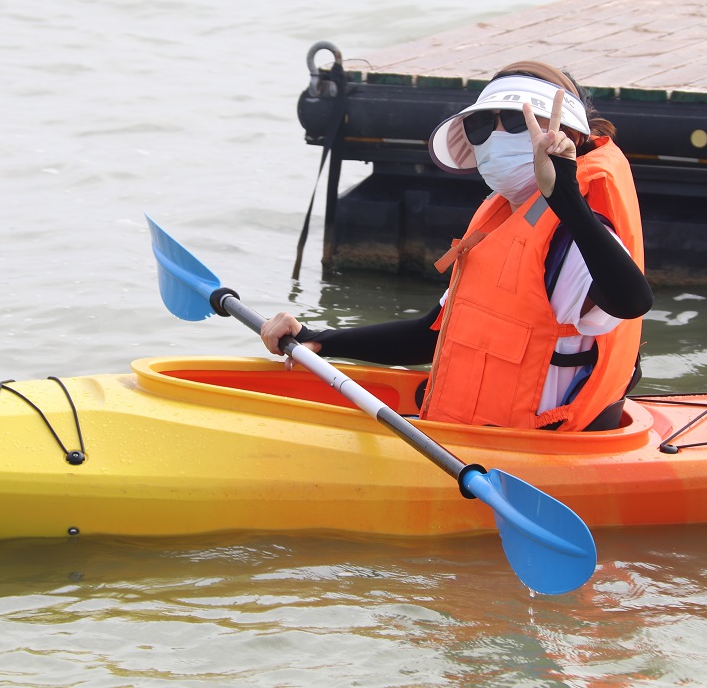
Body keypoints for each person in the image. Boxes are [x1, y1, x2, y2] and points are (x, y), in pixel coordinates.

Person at [262, 61, 653, 431]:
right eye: (482, 124)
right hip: (465, 442)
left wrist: (565, 198)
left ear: (571, 135)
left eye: (517, 120)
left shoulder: (574, 237)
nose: (496, 136)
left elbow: (631, 300)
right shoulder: (499, 222)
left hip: (535, 453)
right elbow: (430, 336)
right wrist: (319, 338)